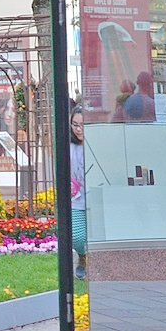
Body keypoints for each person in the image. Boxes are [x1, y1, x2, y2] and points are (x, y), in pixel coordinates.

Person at [68, 107, 89, 272]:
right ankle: (82, 255)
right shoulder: (69, 146)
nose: (78, 129)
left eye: (82, 125)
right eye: (74, 125)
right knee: (77, 235)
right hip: (76, 198)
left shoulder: (95, 144)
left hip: (97, 196)